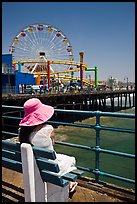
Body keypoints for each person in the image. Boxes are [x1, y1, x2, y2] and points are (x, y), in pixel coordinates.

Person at [18, 98, 78, 193]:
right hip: (50, 168)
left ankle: (70, 183)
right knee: (72, 160)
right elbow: (52, 144)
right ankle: (70, 183)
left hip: (33, 166)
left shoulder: (22, 132)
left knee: (64, 160)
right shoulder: (48, 129)